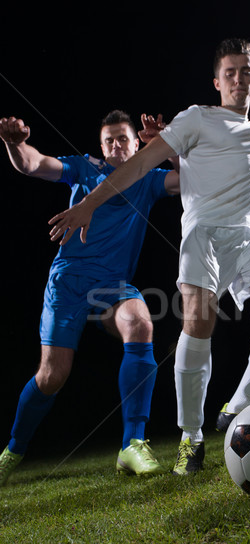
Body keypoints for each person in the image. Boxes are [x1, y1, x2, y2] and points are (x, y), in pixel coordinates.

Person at [46, 39, 250, 474]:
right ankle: (190, 437)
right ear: (217, 81)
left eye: (246, 72)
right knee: (199, 320)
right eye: (230, 73)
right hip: (203, 236)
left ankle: (238, 403)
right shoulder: (196, 118)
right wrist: (90, 203)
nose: (239, 79)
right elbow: (141, 165)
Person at [0, 110, 180, 486]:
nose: (116, 144)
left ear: (136, 144)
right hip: (68, 282)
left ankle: (132, 444)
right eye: (109, 139)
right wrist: (14, 143)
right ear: (100, 147)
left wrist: (169, 149)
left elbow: (196, 180)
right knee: (52, 376)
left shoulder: (147, 178)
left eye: (123, 138)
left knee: (141, 323)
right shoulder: (83, 169)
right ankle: (14, 448)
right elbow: (34, 164)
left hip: (112, 285)